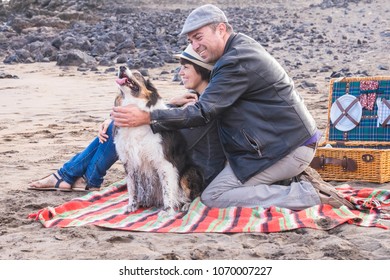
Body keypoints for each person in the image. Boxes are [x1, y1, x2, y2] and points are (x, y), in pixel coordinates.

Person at [110, 4, 354, 210]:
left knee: (214, 196)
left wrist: (148, 117)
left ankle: (306, 195)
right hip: (272, 145)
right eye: (190, 40)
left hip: (285, 149)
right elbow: (209, 103)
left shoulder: (236, 61)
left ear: (221, 29)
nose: (194, 46)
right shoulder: (237, 51)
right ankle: (285, 180)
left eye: (198, 37)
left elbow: (203, 112)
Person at [28, 44, 226, 192]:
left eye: (186, 67)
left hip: (188, 172)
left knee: (123, 125)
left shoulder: (202, 107)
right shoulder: (196, 100)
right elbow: (162, 114)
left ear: (202, 69)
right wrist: (171, 103)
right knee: (118, 125)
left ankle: (73, 177)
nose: (180, 72)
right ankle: (76, 177)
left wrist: (118, 119)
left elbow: (170, 122)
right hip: (170, 159)